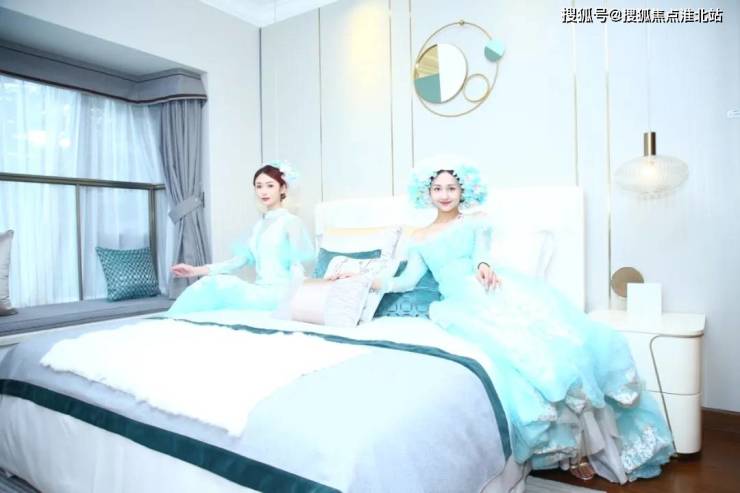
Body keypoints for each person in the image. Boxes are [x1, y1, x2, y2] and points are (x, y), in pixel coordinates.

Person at [371, 165, 674, 483]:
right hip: (458, 304)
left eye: (451, 188)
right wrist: (367, 280)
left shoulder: (475, 222)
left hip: (489, 289)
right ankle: (566, 447)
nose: (445, 195)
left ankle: (582, 448)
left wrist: (484, 267)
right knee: (519, 359)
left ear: (463, 191)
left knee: (553, 350)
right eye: (438, 188)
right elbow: (406, 281)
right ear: (427, 193)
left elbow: (481, 257)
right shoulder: (418, 237)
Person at [167, 161, 313, 316]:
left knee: (218, 285)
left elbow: (297, 266)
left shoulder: (291, 222)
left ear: (282, 188)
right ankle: (175, 320)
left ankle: (174, 318)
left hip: (280, 294)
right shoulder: (259, 226)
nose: (263, 191)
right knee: (213, 283)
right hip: (260, 291)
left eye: (270, 186)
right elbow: (236, 262)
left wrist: (293, 303)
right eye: (259, 186)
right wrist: (194, 270)